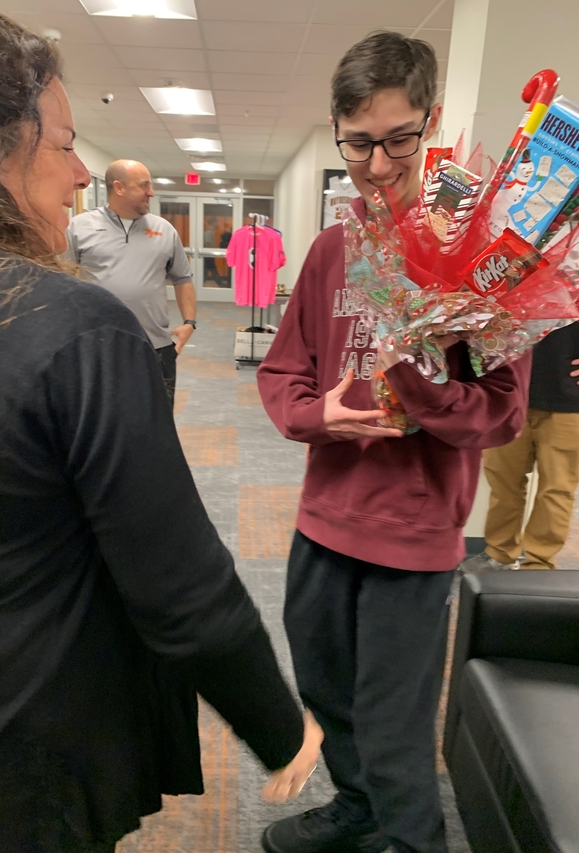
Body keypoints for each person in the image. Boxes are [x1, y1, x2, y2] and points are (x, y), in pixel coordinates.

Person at [0, 3, 323, 852]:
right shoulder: (70, 323)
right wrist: (282, 723)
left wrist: (184, 328)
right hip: (9, 756)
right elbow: (178, 583)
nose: (79, 171)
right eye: (64, 141)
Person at [256, 31, 531, 853]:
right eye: (359, 143)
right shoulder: (332, 248)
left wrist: (418, 387)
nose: (377, 166)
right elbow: (283, 372)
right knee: (324, 686)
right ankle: (359, 807)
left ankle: (413, 837)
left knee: (393, 714)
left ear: (432, 121)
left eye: (399, 140)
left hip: (413, 533)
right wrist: (318, 418)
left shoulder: (481, 259)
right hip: (321, 519)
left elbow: (502, 412)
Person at [66, 158, 196, 410]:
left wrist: (189, 323)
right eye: (144, 185)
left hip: (155, 346)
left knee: (157, 419)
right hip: (97, 346)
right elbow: (62, 279)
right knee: (101, 419)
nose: (151, 192)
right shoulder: (79, 227)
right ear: (119, 187)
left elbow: (182, 277)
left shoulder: (164, 229)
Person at [461, 322, 579, 572]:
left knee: (556, 488)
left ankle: (539, 563)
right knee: (502, 481)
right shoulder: (505, 280)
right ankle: (499, 552)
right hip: (508, 393)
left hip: (569, 400)